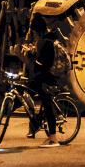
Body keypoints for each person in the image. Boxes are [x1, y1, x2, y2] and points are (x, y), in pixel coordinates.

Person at [27, 14, 61, 148]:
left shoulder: (47, 42)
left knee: (47, 105)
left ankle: (53, 138)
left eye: (34, 31)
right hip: (43, 77)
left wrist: (30, 57)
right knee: (28, 92)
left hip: (48, 79)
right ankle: (34, 125)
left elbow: (44, 64)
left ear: (38, 30)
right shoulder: (47, 40)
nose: (33, 34)